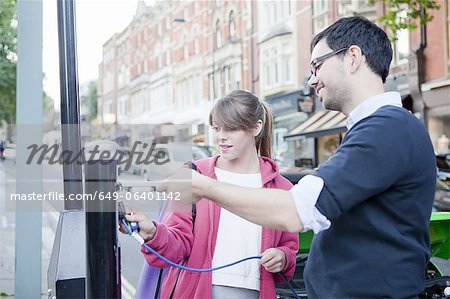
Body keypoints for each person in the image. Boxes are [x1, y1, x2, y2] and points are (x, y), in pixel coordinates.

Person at [176, 17, 436, 298]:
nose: (312, 79)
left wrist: (204, 186)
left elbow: (295, 211)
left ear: (352, 57)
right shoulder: (381, 128)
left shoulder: (386, 128)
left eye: (317, 65)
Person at [122, 90, 299, 298]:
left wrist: (282, 257)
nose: (221, 136)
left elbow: (290, 249)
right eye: (216, 128)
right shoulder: (194, 176)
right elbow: (176, 245)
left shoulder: (282, 188)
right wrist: (152, 232)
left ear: (256, 127)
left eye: (231, 128)